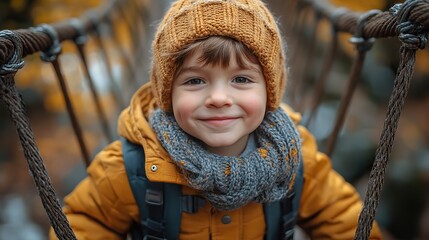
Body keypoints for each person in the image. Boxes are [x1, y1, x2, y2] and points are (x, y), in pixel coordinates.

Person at [50, 0, 382, 239]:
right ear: (168, 94)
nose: (219, 98)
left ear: (271, 91)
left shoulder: (294, 160)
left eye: (241, 80)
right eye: (195, 81)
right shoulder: (133, 167)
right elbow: (84, 223)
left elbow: (343, 220)